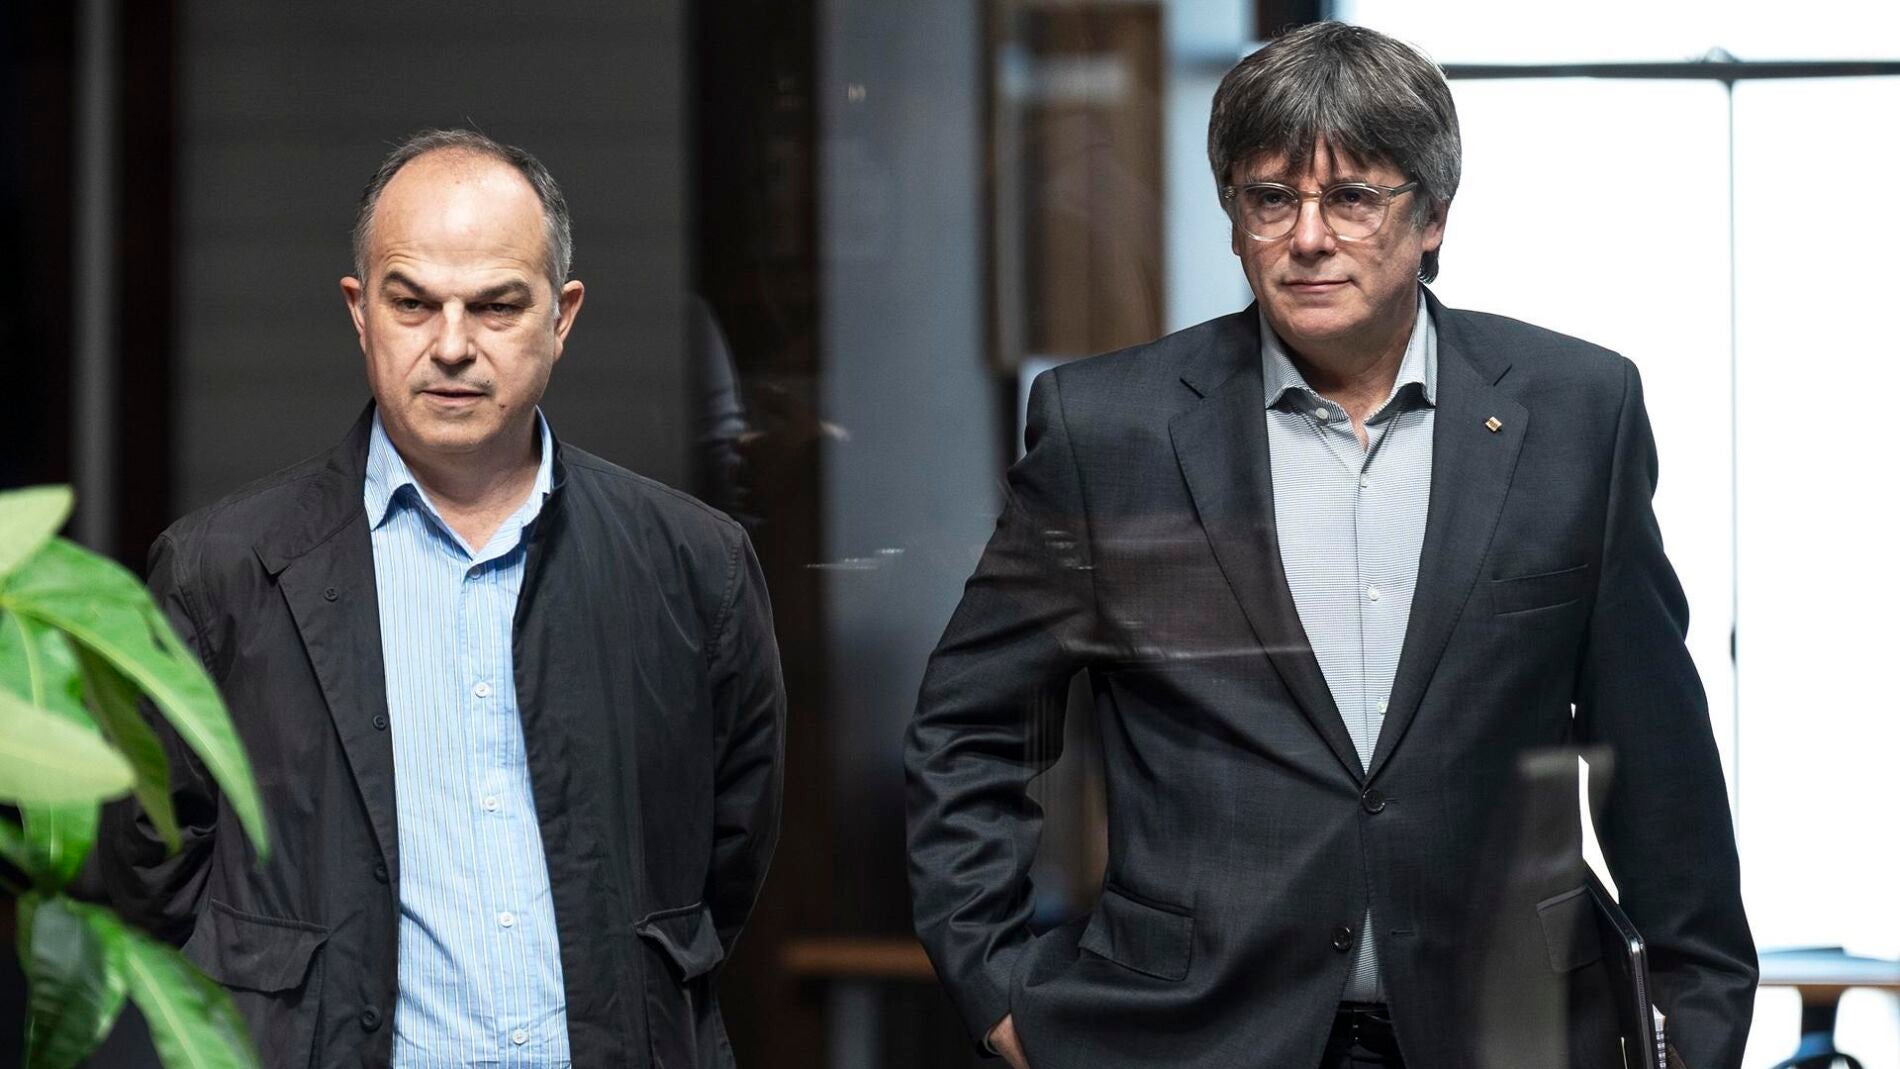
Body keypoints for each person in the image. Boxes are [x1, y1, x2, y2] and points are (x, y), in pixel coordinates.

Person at [904, 22, 1754, 1069]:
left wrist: (1695, 1023)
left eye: (1352, 198)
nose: (1307, 237)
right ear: (1235, 221)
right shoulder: (1110, 430)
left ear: (1432, 215)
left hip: (1512, 1033)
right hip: (1191, 1038)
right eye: (1271, 199)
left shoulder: (1579, 411)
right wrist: (1000, 989)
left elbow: (1658, 757)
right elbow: (969, 728)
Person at [99, 129, 785, 1068]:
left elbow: (723, 861)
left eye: (496, 306)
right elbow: (151, 870)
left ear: (562, 316)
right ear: (360, 312)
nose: (452, 345)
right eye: (413, 303)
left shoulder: (694, 564)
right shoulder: (220, 570)